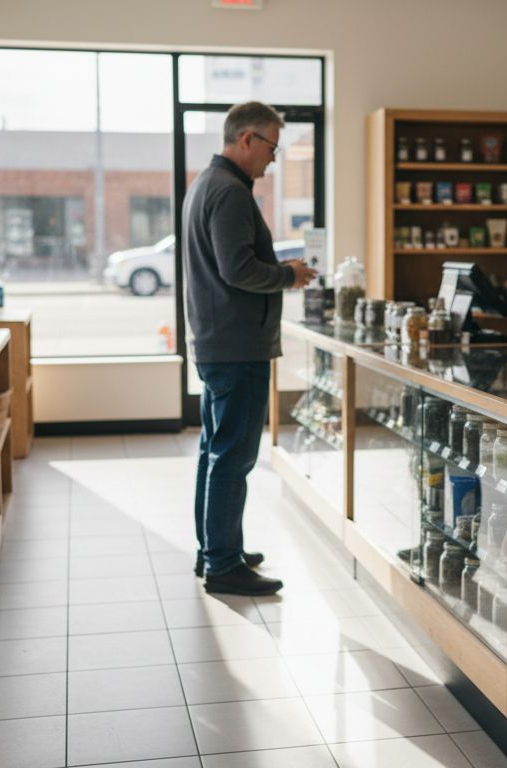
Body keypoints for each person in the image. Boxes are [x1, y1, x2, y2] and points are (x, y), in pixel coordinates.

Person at [183, 101, 317, 596]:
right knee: (233, 457)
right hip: (236, 347)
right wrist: (289, 275)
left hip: (221, 343)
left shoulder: (207, 185)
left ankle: (216, 549)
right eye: (271, 147)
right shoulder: (230, 193)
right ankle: (222, 564)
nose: (274, 159)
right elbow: (237, 270)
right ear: (246, 139)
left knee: (214, 452)